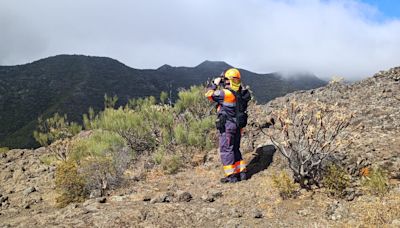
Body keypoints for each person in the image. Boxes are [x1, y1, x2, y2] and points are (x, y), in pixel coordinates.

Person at [205, 68, 248, 183]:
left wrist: (215, 83)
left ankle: (232, 176)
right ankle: (242, 173)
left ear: (228, 80)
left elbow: (208, 95)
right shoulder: (241, 92)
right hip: (238, 126)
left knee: (226, 150)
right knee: (235, 149)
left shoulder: (225, 93)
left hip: (227, 126)